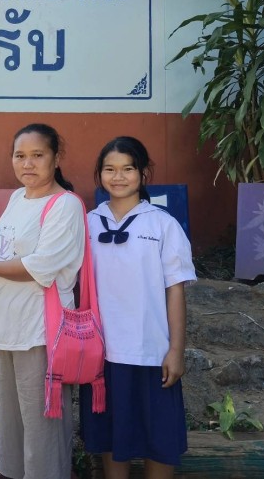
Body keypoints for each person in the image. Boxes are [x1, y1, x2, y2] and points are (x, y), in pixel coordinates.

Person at [0, 123, 85, 479]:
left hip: (40, 331)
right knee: (12, 425)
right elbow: (6, 251)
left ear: (56, 158)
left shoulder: (65, 205)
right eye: (20, 155)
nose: (28, 163)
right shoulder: (17, 198)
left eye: (38, 155)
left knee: (42, 427)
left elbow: (40, 266)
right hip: (5, 326)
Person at [80, 136, 196, 479]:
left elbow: (175, 291)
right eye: (109, 169)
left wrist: (176, 350)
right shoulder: (87, 224)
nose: (118, 177)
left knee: (159, 437)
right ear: (99, 174)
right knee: (111, 435)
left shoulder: (162, 225)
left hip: (151, 352)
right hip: (102, 353)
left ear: (143, 173)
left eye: (128, 168)